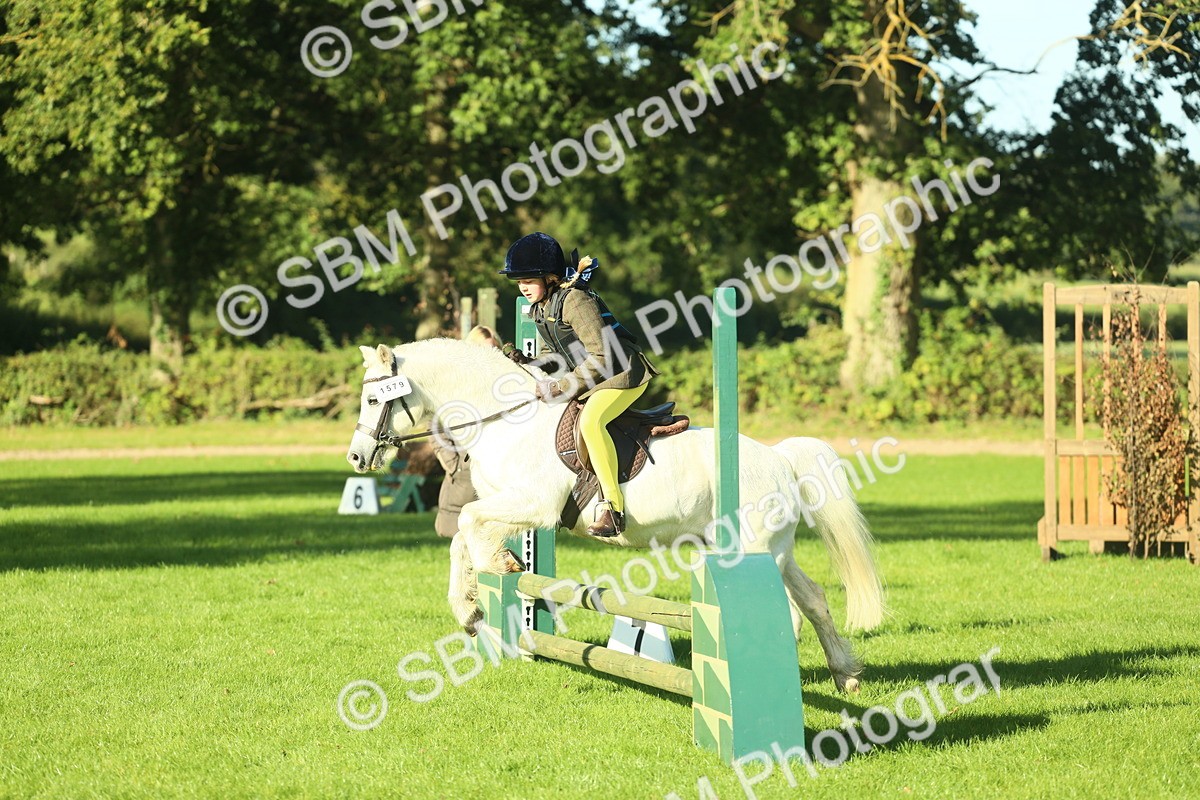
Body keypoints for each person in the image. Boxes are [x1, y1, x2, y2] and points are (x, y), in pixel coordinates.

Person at [498, 232, 658, 537]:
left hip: (623, 373)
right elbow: (557, 356)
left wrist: (560, 388)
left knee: (591, 422)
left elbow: (602, 355)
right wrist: (529, 363)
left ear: (550, 277)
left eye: (528, 280)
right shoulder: (542, 308)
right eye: (519, 282)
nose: (522, 287)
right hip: (594, 378)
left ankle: (613, 509)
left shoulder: (575, 300)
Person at [433, 325, 499, 538]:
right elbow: (435, 424)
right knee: (462, 545)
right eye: (484, 350)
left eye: (494, 349)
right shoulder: (454, 384)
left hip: (497, 480)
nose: (490, 356)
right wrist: (453, 463)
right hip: (462, 481)